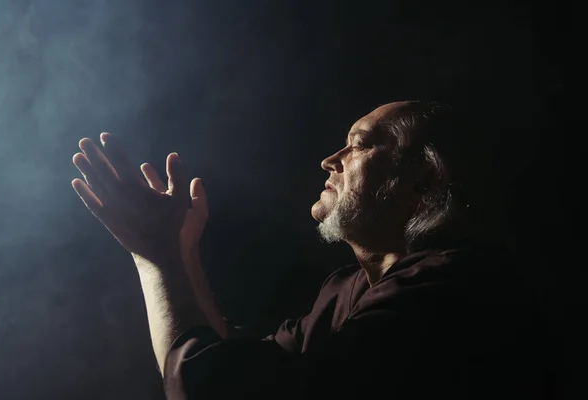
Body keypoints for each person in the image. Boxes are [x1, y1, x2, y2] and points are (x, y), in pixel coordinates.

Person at [71, 101, 548, 399]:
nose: (330, 161)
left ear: (423, 181)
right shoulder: (346, 290)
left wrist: (161, 259)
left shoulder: (453, 287)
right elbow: (232, 364)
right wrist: (176, 253)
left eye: (358, 145)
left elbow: (213, 387)